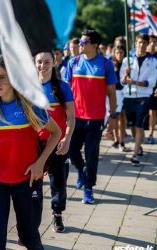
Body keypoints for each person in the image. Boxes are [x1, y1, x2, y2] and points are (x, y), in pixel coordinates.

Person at [0, 55, 61, 250]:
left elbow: (56, 133)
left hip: (27, 180)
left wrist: (40, 163)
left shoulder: (30, 105)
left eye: (2, 77)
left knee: (29, 238)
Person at [65, 30, 118, 204]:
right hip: (75, 117)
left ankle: (88, 189)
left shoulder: (105, 64)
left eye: (84, 42)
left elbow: (111, 92)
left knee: (91, 155)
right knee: (72, 151)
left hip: (96, 118)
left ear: (94, 45)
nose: (80, 44)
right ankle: (81, 171)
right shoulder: (73, 62)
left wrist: (113, 115)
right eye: (80, 41)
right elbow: (65, 91)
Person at [35, 51, 75, 233]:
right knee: (32, 182)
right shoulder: (27, 88)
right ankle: (31, 218)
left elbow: (71, 118)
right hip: (34, 143)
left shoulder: (62, 87)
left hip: (57, 143)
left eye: (46, 62)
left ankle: (57, 214)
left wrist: (67, 138)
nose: (42, 65)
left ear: (54, 63)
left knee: (58, 182)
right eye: (39, 62)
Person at [120, 33, 157, 166]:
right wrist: (125, 75)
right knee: (133, 127)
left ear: (148, 45)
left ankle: (135, 155)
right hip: (129, 97)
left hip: (144, 97)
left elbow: (150, 83)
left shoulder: (153, 61)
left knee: (140, 125)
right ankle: (139, 145)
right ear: (135, 43)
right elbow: (122, 82)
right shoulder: (127, 60)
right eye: (140, 43)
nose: (142, 46)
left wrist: (134, 82)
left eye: (144, 43)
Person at [110, 45, 128, 151]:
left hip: (125, 92)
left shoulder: (126, 64)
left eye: (121, 53)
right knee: (115, 118)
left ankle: (122, 141)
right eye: (117, 53)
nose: (119, 55)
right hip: (115, 93)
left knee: (123, 117)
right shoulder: (112, 64)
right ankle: (116, 139)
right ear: (114, 54)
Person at [146, 34, 157, 144]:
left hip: (155, 88)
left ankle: (150, 134)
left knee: (153, 112)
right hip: (143, 88)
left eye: (154, 41)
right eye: (150, 42)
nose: (152, 44)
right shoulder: (144, 56)